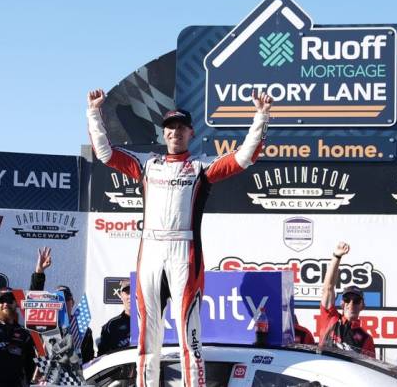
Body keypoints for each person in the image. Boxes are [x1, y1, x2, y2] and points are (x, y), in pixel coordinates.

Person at [87, 88, 272, 387]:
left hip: (184, 252)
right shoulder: (147, 163)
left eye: (180, 128)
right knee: (148, 336)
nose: (175, 133)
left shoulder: (201, 166)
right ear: (164, 134)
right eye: (170, 128)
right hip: (150, 251)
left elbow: (244, 157)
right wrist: (94, 112)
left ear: (190, 133)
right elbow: (105, 153)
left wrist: (261, 115)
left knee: (189, 334)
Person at [29, 247, 94, 362]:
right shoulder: (43, 325)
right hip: (49, 376)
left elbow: (88, 360)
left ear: (72, 302)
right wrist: (39, 272)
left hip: (73, 377)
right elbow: (33, 302)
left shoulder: (82, 328)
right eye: (58, 299)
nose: (62, 302)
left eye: (66, 298)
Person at [318, 242, 375, 357]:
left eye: (356, 301)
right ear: (342, 303)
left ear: (362, 306)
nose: (351, 304)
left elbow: (367, 370)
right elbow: (328, 288)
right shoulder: (331, 318)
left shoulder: (366, 339)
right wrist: (336, 257)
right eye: (348, 299)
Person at [98, 279, 132, 356]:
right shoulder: (111, 326)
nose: (130, 296)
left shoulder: (150, 323)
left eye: (134, 292)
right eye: (127, 292)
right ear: (121, 295)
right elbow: (102, 357)